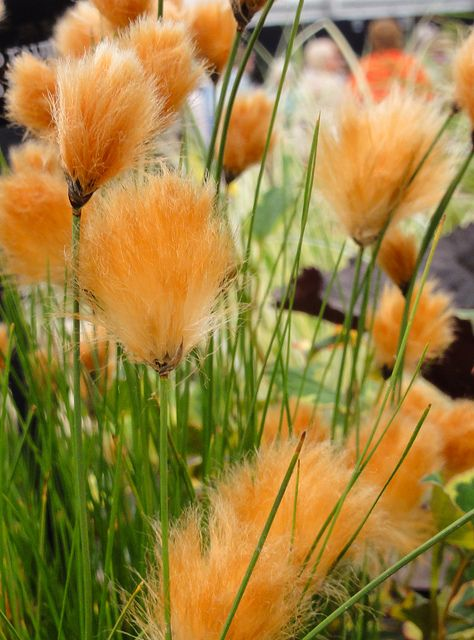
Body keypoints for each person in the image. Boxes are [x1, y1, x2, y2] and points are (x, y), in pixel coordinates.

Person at [349, 19, 431, 101]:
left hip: (372, 111)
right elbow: (427, 94)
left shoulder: (365, 65)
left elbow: (352, 96)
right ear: (398, 36)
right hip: (406, 111)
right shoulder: (410, 63)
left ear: (372, 39)